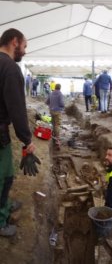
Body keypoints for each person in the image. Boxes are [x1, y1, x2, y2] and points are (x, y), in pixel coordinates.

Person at [0, 28, 37, 236]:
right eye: (24, 46)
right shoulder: (10, 68)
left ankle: (4, 205)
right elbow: (17, 109)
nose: (25, 51)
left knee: (6, 175)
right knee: (3, 177)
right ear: (14, 42)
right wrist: (27, 140)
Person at [46, 83, 64, 149]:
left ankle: (53, 136)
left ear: (55, 87)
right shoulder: (60, 94)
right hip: (57, 111)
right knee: (57, 125)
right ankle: (57, 139)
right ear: (60, 88)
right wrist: (63, 106)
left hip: (51, 111)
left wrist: (51, 105)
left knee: (53, 123)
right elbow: (61, 103)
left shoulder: (51, 93)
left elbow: (47, 102)